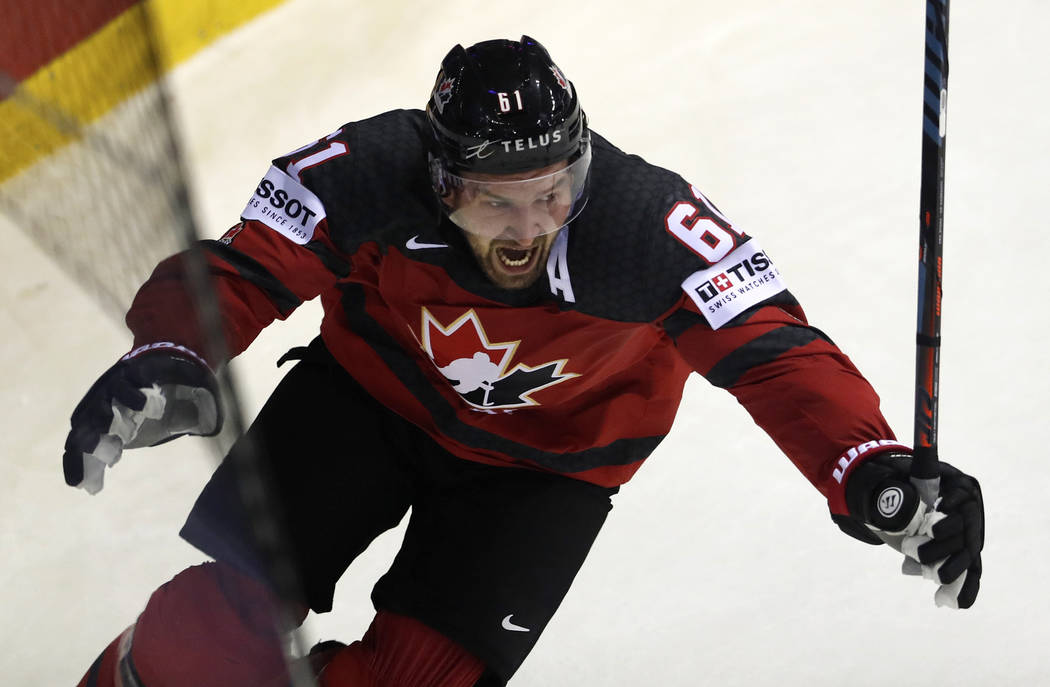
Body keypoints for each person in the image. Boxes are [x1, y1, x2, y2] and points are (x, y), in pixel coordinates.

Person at [63, 36, 984, 687]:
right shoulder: (369, 169)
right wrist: (175, 343)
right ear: (442, 180)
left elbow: (777, 352)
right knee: (200, 643)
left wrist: (866, 464)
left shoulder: (642, 226)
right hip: (366, 401)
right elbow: (250, 261)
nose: (534, 224)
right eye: (498, 202)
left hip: (545, 471)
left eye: (554, 190)